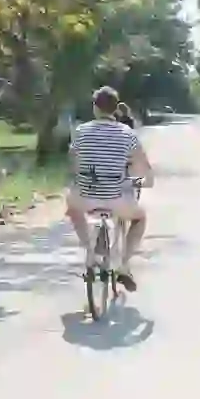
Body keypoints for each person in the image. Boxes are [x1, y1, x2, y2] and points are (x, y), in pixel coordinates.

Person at [65, 86, 155, 291]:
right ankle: (124, 265)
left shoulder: (81, 131)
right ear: (116, 109)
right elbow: (144, 171)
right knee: (140, 218)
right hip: (117, 198)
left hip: (86, 195)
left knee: (72, 207)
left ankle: (89, 250)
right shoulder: (127, 134)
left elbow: (74, 164)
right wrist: (141, 181)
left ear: (95, 108)